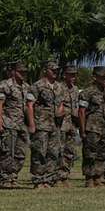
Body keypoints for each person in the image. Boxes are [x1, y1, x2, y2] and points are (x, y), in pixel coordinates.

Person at [28, 60, 63, 188]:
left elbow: (61, 103)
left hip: (55, 125)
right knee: (39, 152)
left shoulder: (59, 87)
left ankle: (48, 179)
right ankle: (38, 180)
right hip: (41, 123)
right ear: (45, 71)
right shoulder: (37, 86)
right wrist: (31, 124)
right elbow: (29, 105)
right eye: (52, 70)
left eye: (56, 70)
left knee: (53, 152)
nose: (55, 72)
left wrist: (60, 112)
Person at [0, 61, 35, 189]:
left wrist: (31, 124)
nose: (23, 74)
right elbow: (0, 104)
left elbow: (28, 106)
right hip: (8, 123)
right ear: (14, 72)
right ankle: (4, 178)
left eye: (25, 72)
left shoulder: (26, 87)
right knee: (7, 152)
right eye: (21, 72)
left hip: (21, 125)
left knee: (21, 153)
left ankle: (13, 176)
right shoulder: (5, 85)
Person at [78, 66, 105, 187]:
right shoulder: (88, 92)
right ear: (95, 77)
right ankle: (89, 178)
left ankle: (98, 176)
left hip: (104, 128)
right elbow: (81, 112)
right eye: (103, 77)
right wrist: (82, 130)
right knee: (90, 153)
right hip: (92, 127)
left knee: (102, 153)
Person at [56, 65, 79, 188]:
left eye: (75, 75)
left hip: (72, 124)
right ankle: (57, 176)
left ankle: (65, 175)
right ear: (65, 75)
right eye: (71, 74)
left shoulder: (75, 89)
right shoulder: (58, 87)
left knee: (70, 151)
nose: (73, 77)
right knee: (59, 150)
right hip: (61, 124)